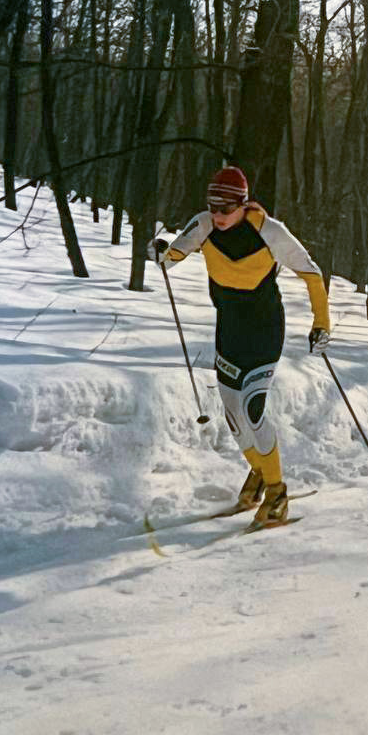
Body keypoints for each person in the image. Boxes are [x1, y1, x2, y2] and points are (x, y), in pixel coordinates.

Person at [148, 166, 331, 525]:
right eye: (212, 206)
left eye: (226, 208)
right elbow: (174, 254)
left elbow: (312, 273)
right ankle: (260, 472)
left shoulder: (269, 231)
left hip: (264, 329)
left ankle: (277, 492)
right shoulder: (203, 225)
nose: (218, 216)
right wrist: (161, 254)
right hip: (228, 329)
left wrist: (321, 323)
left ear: (242, 204)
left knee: (252, 409)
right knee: (232, 415)